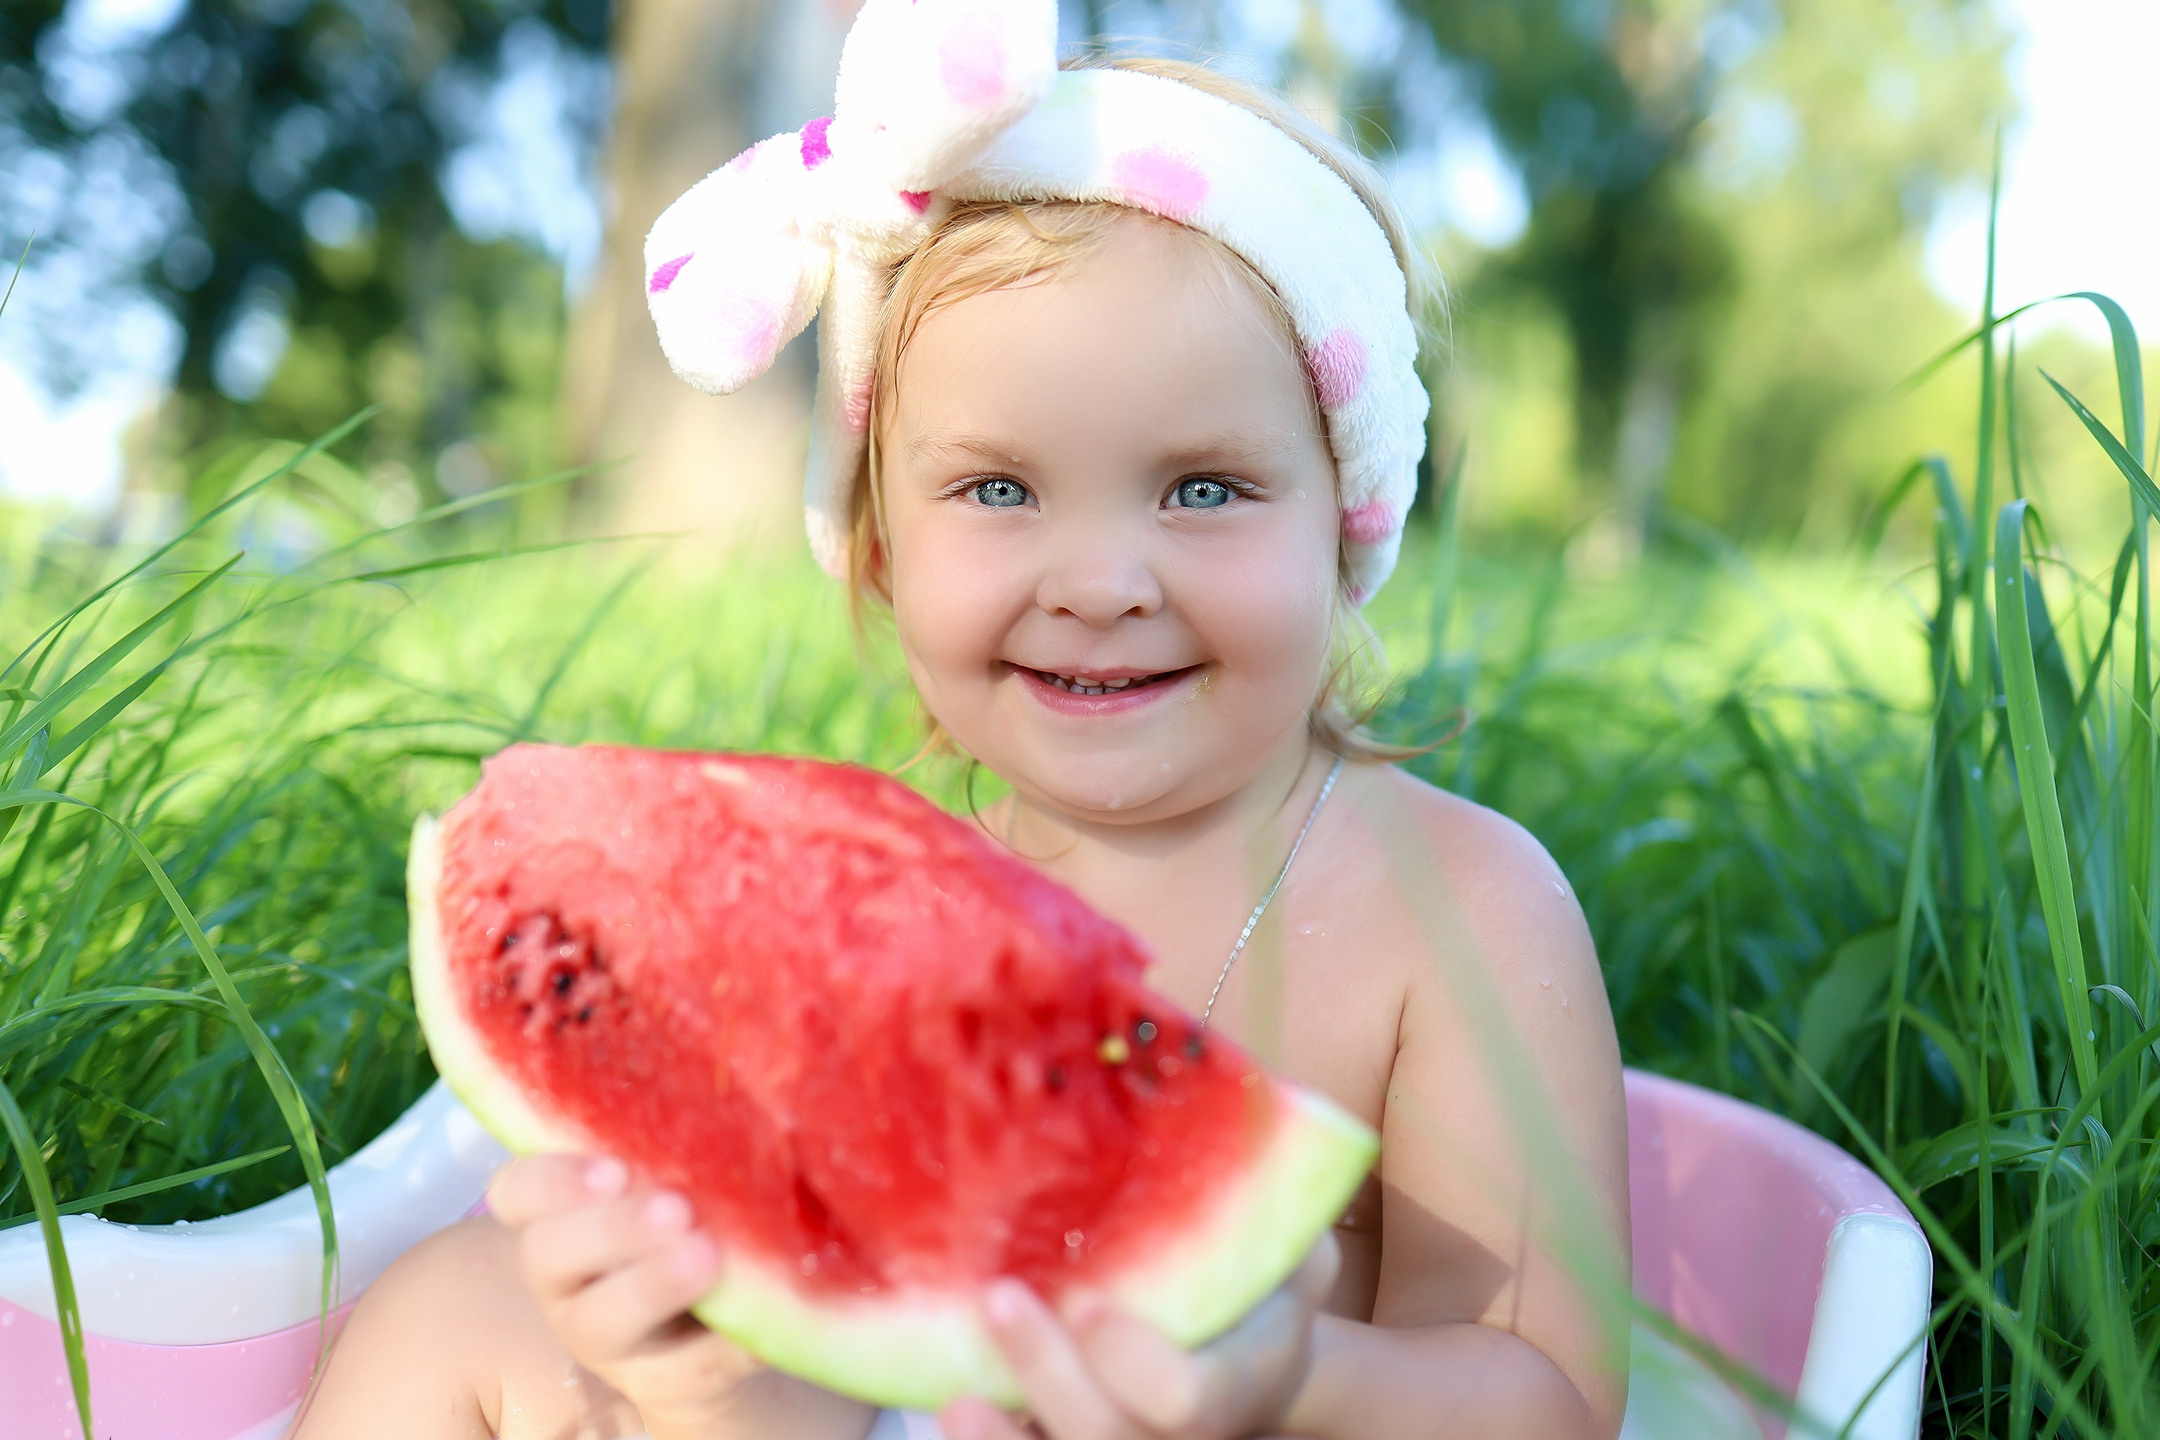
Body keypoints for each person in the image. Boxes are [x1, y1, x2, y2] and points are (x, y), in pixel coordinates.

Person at [295, 3, 1628, 1436]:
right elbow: (839, 1360)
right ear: (877, 552)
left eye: (1204, 487)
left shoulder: (1460, 909)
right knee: (458, 1303)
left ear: (1346, 529)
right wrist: (706, 1367)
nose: (1104, 583)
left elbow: (1549, 1393)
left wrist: (1296, 1382)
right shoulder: (874, 906)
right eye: (999, 490)